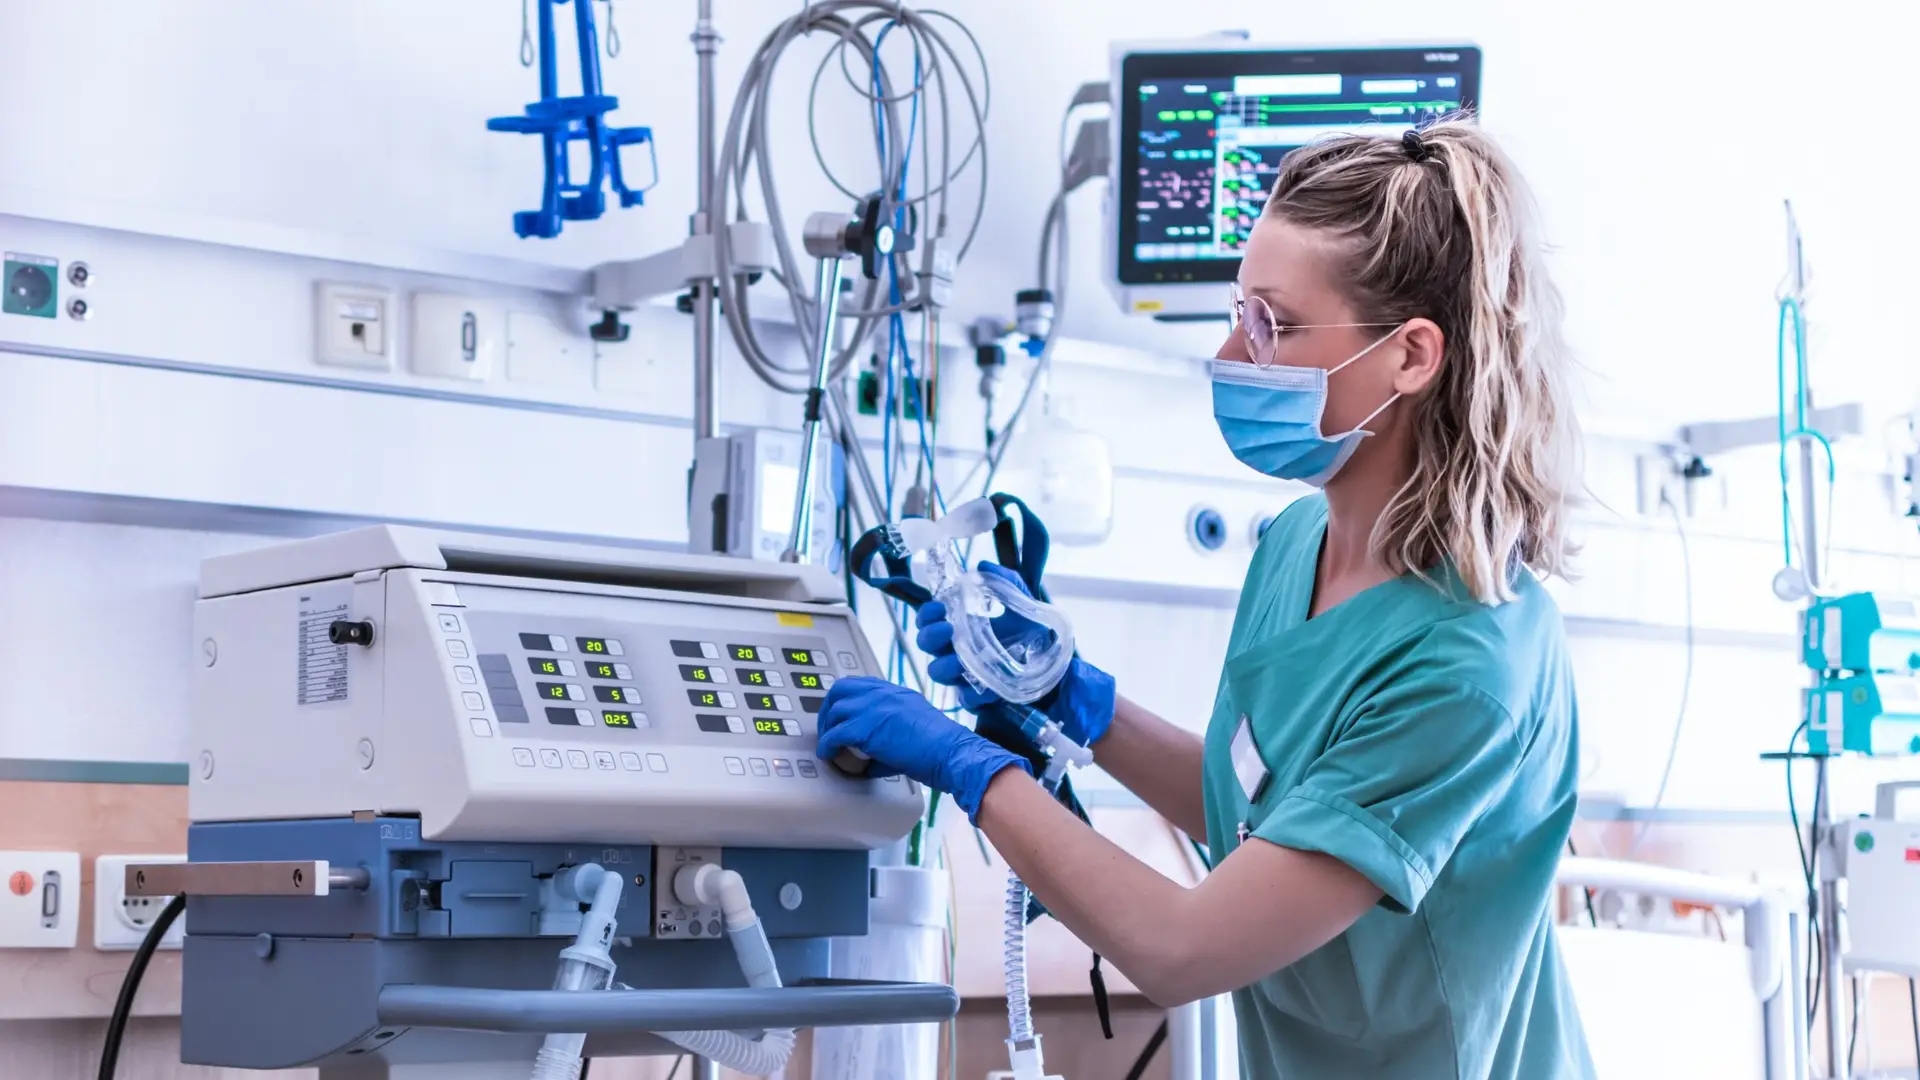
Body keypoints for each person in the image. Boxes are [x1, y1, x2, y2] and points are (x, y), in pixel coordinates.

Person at [816, 116, 1595, 1080]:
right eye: (1240, 310)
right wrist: (1079, 704)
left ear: (1412, 355)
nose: (1234, 349)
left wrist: (969, 768)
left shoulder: (1466, 666)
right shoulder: (1297, 545)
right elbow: (1261, 814)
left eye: (1275, 322)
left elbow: (1182, 947)